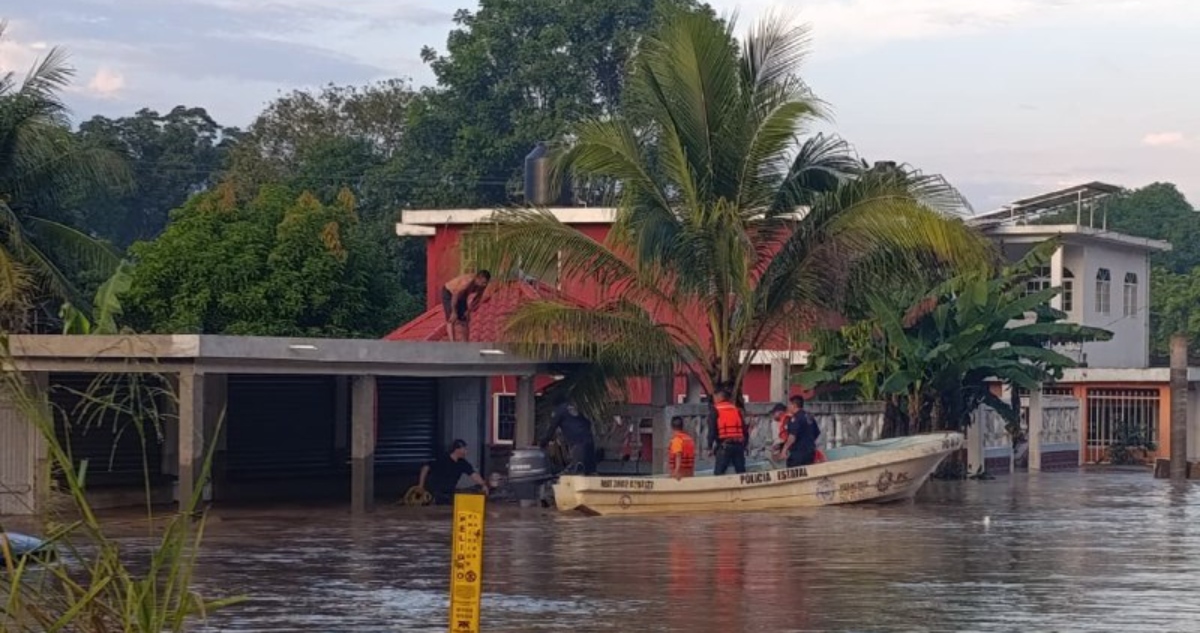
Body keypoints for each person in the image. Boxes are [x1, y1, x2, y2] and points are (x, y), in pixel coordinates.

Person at [417, 439, 489, 505]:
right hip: (434, 493)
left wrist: (483, 484)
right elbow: (425, 468)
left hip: (449, 493)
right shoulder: (442, 459)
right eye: (464, 449)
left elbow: (474, 475)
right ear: (457, 450)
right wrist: (421, 486)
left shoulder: (462, 463)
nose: (466, 452)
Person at [539, 396, 597, 475]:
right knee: (590, 471)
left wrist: (543, 442)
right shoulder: (574, 408)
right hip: (589, 440)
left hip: (577, 442)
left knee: (576, 470)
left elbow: (552, 428)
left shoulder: (559, 410)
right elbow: (587, 422)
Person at [707, 388, 748, 475]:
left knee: (719, 473)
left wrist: (709, 447)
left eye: (714, 397)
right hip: (738, 446)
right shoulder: (736, 410)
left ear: (719, 397)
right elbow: (744, 430)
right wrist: (744, 445)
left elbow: (712, 430)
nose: (713, 399)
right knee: (741, 473)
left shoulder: (715, 410)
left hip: (724, 446)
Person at [441, 270, 491, 341]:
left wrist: (469, 310)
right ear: (478, 279)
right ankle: (452, 342)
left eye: (485, 283)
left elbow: (477, 298)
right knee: (452, 318)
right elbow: (455, 295)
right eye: (483, 283)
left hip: (462, 295)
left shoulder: (482, 286)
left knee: (465, 318)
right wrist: (454, 311)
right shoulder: (467, 282)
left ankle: (465, 341)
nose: (484, 285)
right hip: (450, 292)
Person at [778, 395, 821, 467]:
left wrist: (784, 450)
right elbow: (816, 433)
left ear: (794, 405)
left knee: (792, 474)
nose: (788, 407)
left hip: (798, 455)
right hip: (810, 454)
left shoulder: (795, 418)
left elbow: (792, 437)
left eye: (789, 404)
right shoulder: (809, 417)